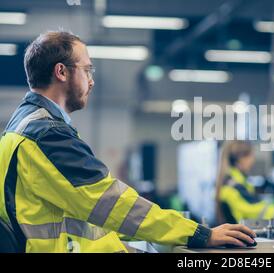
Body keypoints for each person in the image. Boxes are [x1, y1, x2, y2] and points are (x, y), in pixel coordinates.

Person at [0, 31, 255, 253]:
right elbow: (111, 202)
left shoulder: (21, 126)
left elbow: (74, 211)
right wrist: (200, 234)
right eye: (87, 70)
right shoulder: (47, 134)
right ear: (62, 72)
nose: (92, 80)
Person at [215, 141, 274, 225]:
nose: (253, 160)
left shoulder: (236, 181)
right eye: (251, 156)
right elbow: (254, 212)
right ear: (240, 159)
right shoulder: (233, 187)